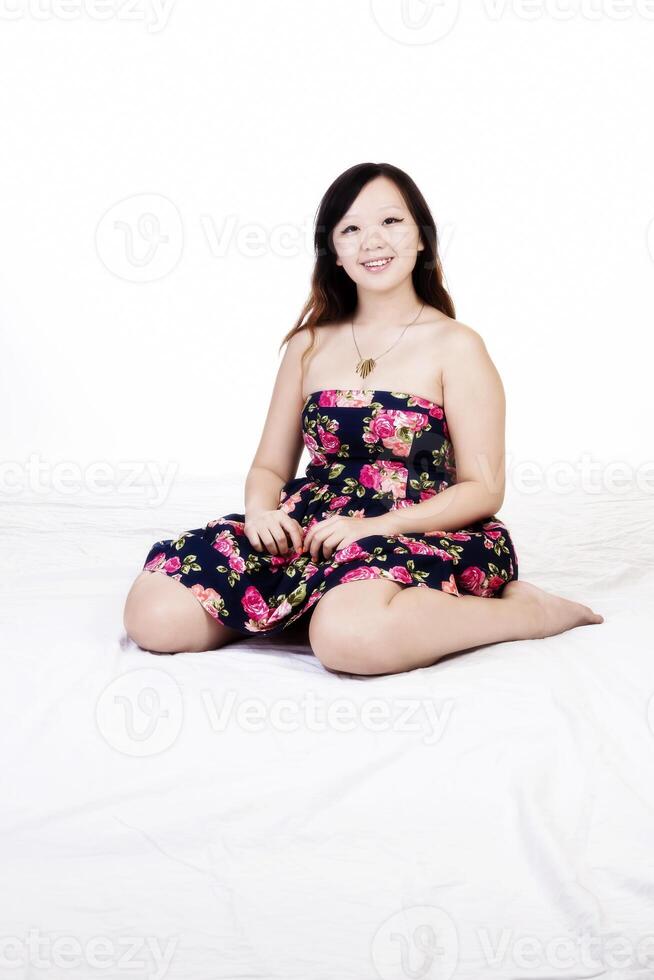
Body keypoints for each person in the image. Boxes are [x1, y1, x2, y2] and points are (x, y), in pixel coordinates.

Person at [123, 162, 603, 674]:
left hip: (422, 528)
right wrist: (263, 513)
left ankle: (523, 613)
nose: (372, 241)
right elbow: (269, 467)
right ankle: (325, 604)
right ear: (334, 251)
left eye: (391, 222)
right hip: (314, 529)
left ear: (422, 238)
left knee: (349, 639)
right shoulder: (307, 346)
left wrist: (380, 524)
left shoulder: (456, 346)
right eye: (351, 228)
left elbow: (482, 489)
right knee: (154, 616)